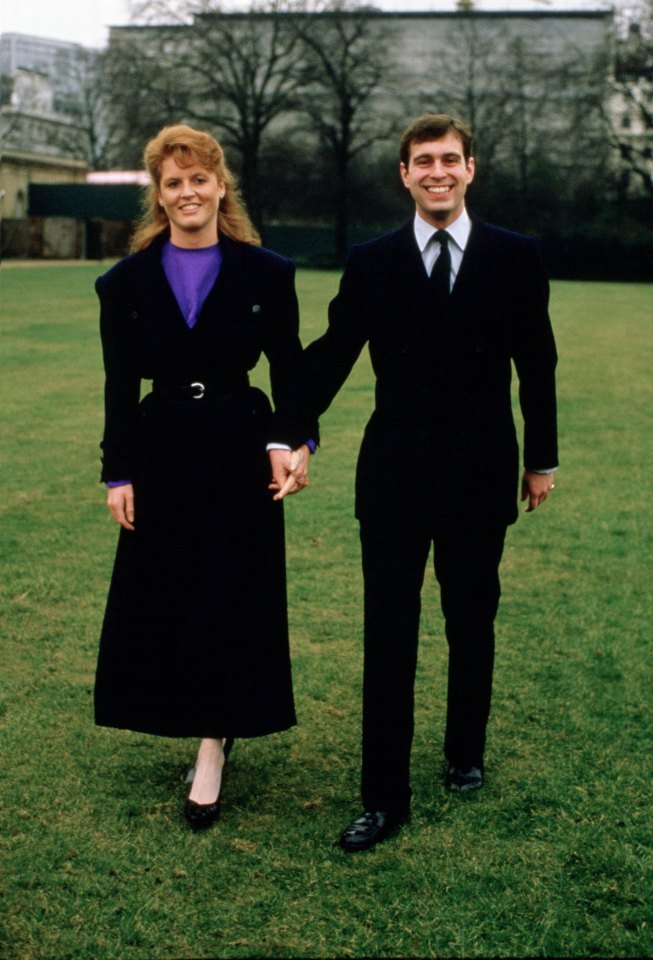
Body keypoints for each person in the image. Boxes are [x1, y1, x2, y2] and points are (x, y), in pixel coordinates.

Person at [301, 114, 558, 852]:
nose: (436, 171)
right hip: (392, 478)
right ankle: (382, 797)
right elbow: (331, 355)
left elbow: (535, 366)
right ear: (403, 174)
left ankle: (463, 753)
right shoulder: (372, 260)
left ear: (470, 169)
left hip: (480, 474)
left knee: (470, 621)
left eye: (449, 159)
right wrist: (288, 425)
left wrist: (540, 458)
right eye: (422, 161)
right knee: (388, 634)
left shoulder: (515, 257)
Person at [95, 124, 311, 830]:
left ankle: (214, 746)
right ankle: (187, 715)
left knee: (230, 593)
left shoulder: (266, 273)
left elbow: (289, 369)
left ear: (220, 185)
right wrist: (117, 472)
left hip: (237, 449)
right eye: (173, 183)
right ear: (159, 198)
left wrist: (293, 439)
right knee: (171, 594)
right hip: (162, 454)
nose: (187, 192)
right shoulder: (122, 283)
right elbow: (120, 383)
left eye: (198, 179)